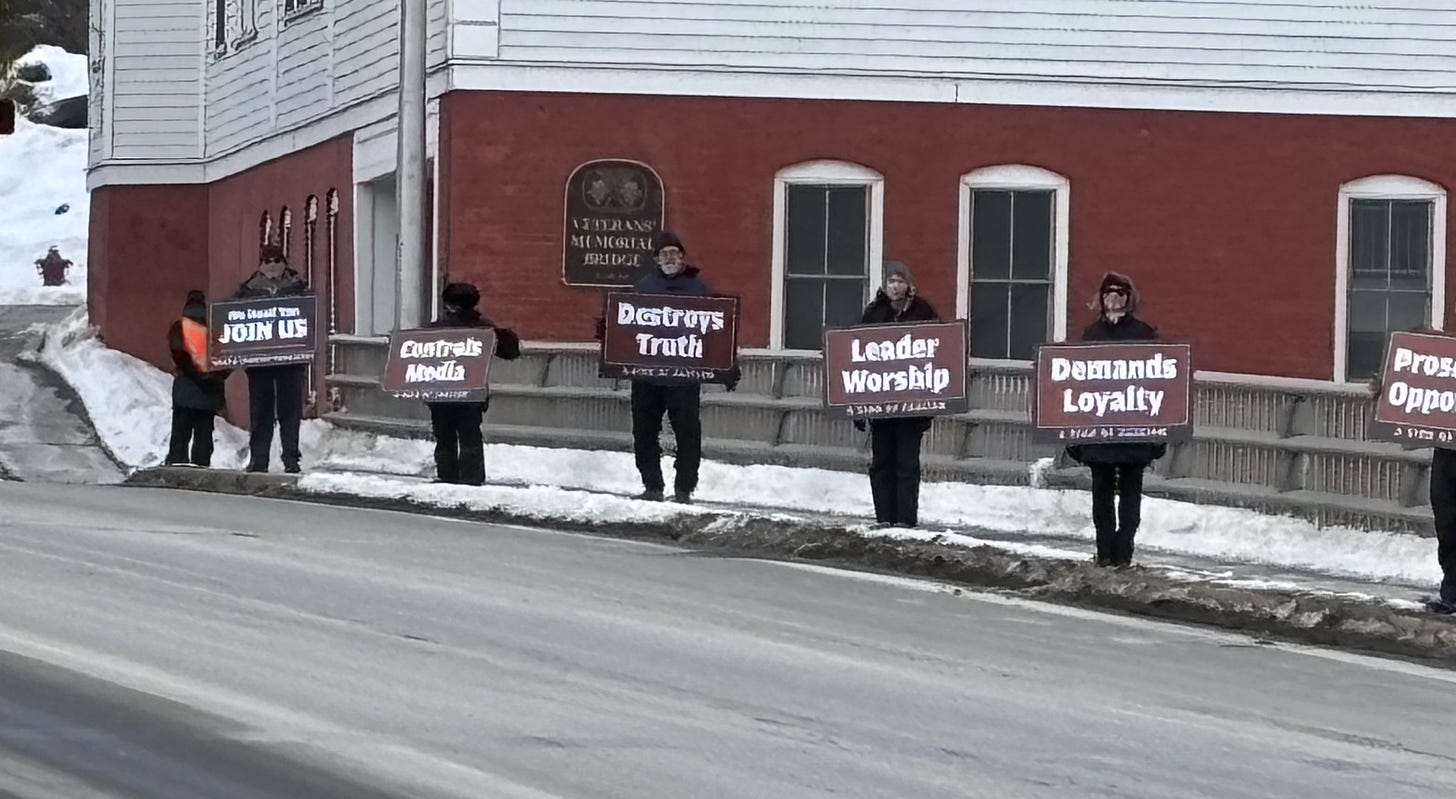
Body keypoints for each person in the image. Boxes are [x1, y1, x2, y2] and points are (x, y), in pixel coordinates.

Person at [1066, 272, 1167, 567]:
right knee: (1102, 498)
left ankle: (1123, 553)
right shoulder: (1091, 335)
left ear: (1129, 298)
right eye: (1108, 292)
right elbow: (1076, 385)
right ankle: (1104, 554)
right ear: (1100, 298)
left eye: (1120, 292)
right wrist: (1074, 435)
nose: (1114, 297)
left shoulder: (1144, 334)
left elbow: (1161, 383)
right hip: (1099, 435)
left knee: (1131, 501)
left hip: (1135, 435)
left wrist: (1160, 432)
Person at [628, 231, 716, 503]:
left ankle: (684, 488)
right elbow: (628, 327)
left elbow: (713, 326)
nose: (669, 258)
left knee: (687, 432)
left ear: (682, 257)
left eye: (674, 253)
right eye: (664, 254)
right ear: (656, 259)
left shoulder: (698, 288)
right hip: (648, 376)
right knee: (644, 431)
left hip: (684, 376)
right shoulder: (644, 286)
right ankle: (652, 485)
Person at [854, 262, 939, 528]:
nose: (895, 286)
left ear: (908, 285)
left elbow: (938, 353)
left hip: (912, 408)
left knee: (907, 464)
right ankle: (884, 518)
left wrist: (932, 404)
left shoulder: (923, 312)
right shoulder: (874, 312)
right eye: (891, 281)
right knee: (881, 463)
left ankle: (905, 520)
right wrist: (856, 405)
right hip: (880, 407)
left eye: (900, 281)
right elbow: (857, 357)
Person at [426, 282, 521, 486]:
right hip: (472, 393)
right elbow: (510, 352)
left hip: (441, 393)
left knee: (444, 437)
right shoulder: (485, 328)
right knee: (470, 436)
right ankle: (472, 477)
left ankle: (447, 476)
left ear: (449, 305)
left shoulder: (435, 329)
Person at [234, 244, 309, 473]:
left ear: (284, 262)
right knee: (261, 411)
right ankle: (259, 459)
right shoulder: (248, 289)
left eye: (277, 260)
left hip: (291, 361)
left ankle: (291, 458)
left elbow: (309, 315)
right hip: (260, 363)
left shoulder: (297, 287)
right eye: (268, 260)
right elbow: (234, 318)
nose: (273, 265)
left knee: (290, 411)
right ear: (261, 264)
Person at [165, 290, 227, 467]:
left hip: (185, 390)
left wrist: (196, 377)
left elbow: (180, 356)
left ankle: (177, 463)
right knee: (204, 433)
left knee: (180, 433)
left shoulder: (179, 328)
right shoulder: (216, 329)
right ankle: (201, 465)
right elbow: (227, 359)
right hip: (210, 391)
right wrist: (214, 379)